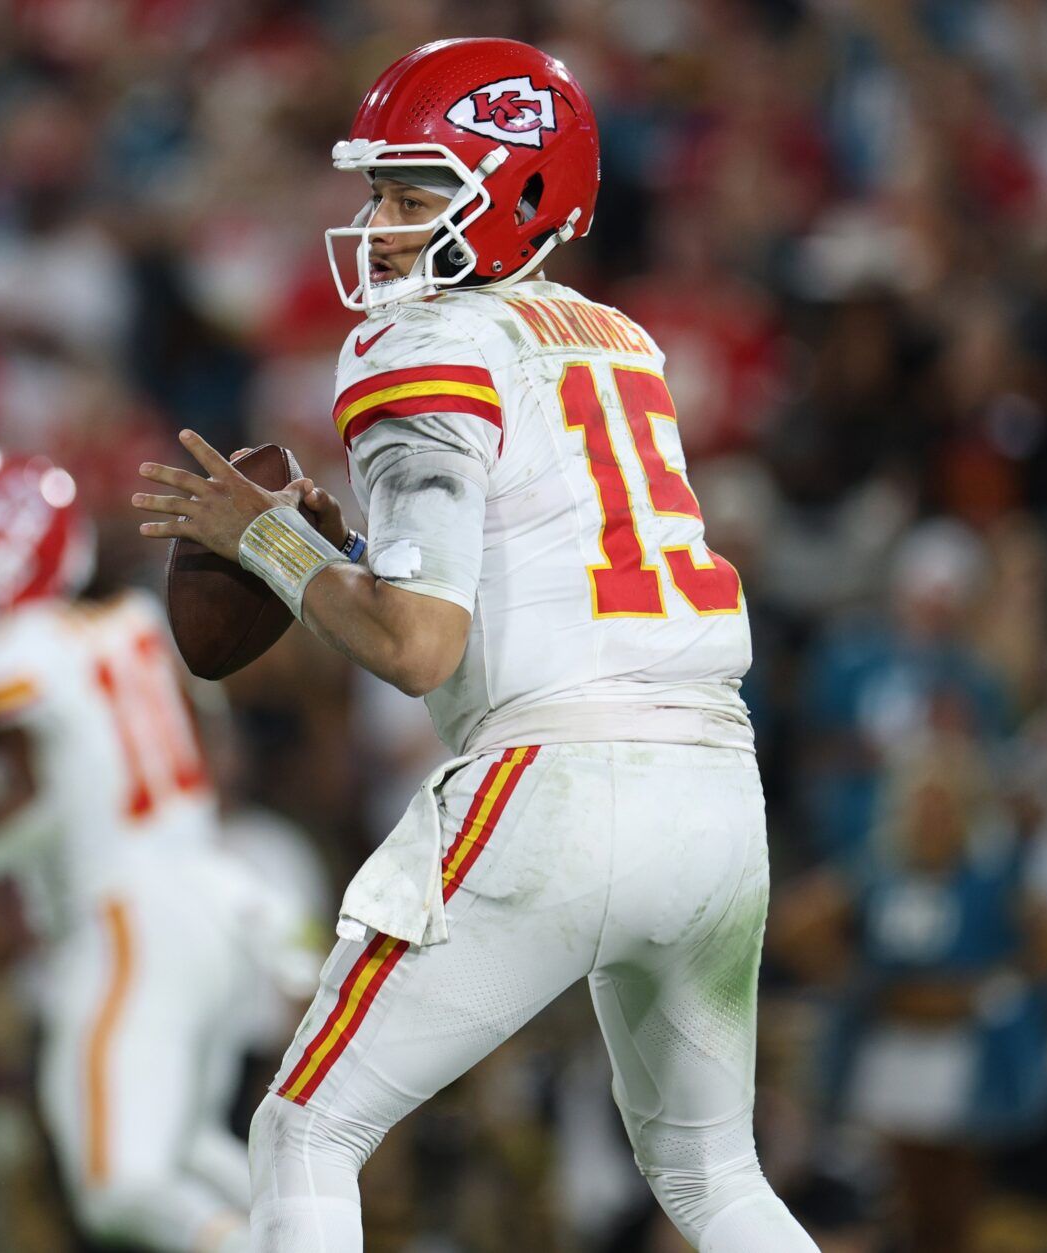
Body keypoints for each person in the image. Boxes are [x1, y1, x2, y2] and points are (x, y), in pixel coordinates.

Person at [133, 38, 817, 1252]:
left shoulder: (422, 343)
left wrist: (277, 549)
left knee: (304, 1130)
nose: (379, 224)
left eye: (412, 194)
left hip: (558, 783)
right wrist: (348, 549)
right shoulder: (619, 341)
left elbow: (417, 644)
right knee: (716, 1178)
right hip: (716, 793)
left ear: (514, 197)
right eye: (377, 193)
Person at [0, 448, 315, 1253]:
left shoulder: (12, 656)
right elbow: (89, 793)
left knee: (120, 1188)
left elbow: (3, 757)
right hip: (209, 906)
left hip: (127, 923)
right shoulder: (131, 626)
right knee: (189, 1153)